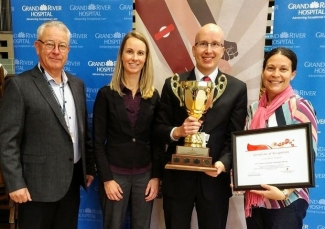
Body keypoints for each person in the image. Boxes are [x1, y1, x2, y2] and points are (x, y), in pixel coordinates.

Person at [0, 20, 95, 229]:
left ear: (68, 50)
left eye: (61, 46)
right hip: (35, 189)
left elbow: (81, 132)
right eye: (49, 44)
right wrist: (15, 183)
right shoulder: (19, 86)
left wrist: (89, 167)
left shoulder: (77, 84)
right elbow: (7, 141)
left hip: (71, 184)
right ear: (37, 46)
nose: (56, 51)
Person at [154, 23, 248, 229]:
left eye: (215, 44)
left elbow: (235, 136)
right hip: (177, 181)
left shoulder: (237, 89)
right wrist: (177, 131)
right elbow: (158, 129)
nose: (208, 50)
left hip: (215, 182)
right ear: (194, 48)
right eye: (203, 43)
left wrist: (222, 164)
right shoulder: (173, 84)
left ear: (223, 50)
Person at [93, 31, 163, 229]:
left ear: (146, 58)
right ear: (122, 56)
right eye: (130, 51)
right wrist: (107, 179)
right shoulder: (106, 95)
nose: (135, 58)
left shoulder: (153, 96)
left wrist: (156, 177)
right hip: (115, 176)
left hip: (145, 177)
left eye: (140, 53)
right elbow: (97, 143)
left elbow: (158, 141)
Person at [244, 47, 318, 229]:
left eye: (283, 69)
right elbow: (246, 151)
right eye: (270, 68)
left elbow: (308, 156)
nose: (275, 74)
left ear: (293, 74)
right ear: (263, 71)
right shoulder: (254, 109)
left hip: (287, 201)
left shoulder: (299, 107)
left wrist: (284, 192)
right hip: (256, 200)